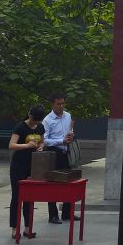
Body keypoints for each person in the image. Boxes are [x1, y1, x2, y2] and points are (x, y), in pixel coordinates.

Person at [9, 105, 46, 238]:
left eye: (37, 121)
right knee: (17, 196)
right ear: (29, 115)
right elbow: (11, 145)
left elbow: (42, 141)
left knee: (30, 197)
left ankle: (28, 228)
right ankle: (15, 228)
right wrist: (26, 145)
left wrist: (41, 146)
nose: (34, 123)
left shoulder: (40, 127)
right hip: (18, 166)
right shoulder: (20, 127)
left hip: (33, 166)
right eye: (33, 120)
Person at [42, 93, 76, 223]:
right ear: (53, 104)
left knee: (68, 181)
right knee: (53, 183)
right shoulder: (47, 120)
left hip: (65, 152)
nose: (61, 106)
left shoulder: (68, 116)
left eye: (63, 103)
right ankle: (53, 214)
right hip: (53, 152)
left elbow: (69, 131)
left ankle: (67, 212)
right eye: (58, 104)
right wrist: (61, 141)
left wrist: (71, 136)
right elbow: (44, 140)